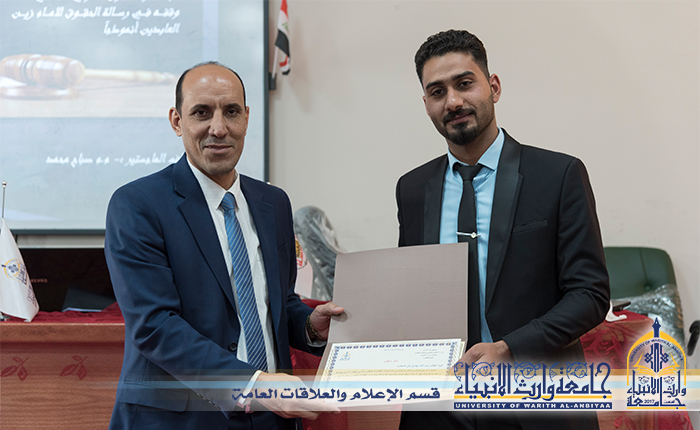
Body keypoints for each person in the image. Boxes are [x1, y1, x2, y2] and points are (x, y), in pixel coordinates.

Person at [105, 62, 343, 429]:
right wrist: (253, 384)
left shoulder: (273, 203)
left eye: (231, 112)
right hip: (182, 420)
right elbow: (154, 325)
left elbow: (275, 304)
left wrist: (310, 325)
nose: (219, 128)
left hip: (273, 418)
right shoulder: (137, 204)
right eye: (201, 113)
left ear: (246, 118)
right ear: (176, 121)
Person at [395, 30, 610, 430]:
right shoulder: (412, 188)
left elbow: (590, 294)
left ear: (493, 87)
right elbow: (415, 296)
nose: (453, 101)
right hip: (439, 409)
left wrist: (510, 348)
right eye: (438, 92)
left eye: (464, 83)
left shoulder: (558, 175)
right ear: (426, 104)